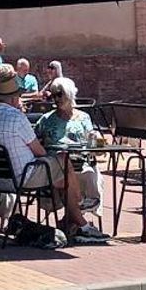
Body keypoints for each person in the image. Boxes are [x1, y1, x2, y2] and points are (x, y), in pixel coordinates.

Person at [0, 64, 90, 238]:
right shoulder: (17, 118)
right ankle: (81, 216)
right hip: (23, 177)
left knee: (59, 175)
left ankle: (73, 217)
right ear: (14, 98)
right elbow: (39, 151)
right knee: (63, 163)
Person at [33, 79, 103, 237]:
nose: (56, 99)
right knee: (65, 177)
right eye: (53, 95)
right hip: (56, 166)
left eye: (60, 95)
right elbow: (35, 142)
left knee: (90, 175)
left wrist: (97, 140)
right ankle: (78, 220)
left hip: (81, 163)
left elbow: (93, 142)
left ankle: (70, 222)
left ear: (70, 95)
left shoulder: (84, 118)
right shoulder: (46, 119)